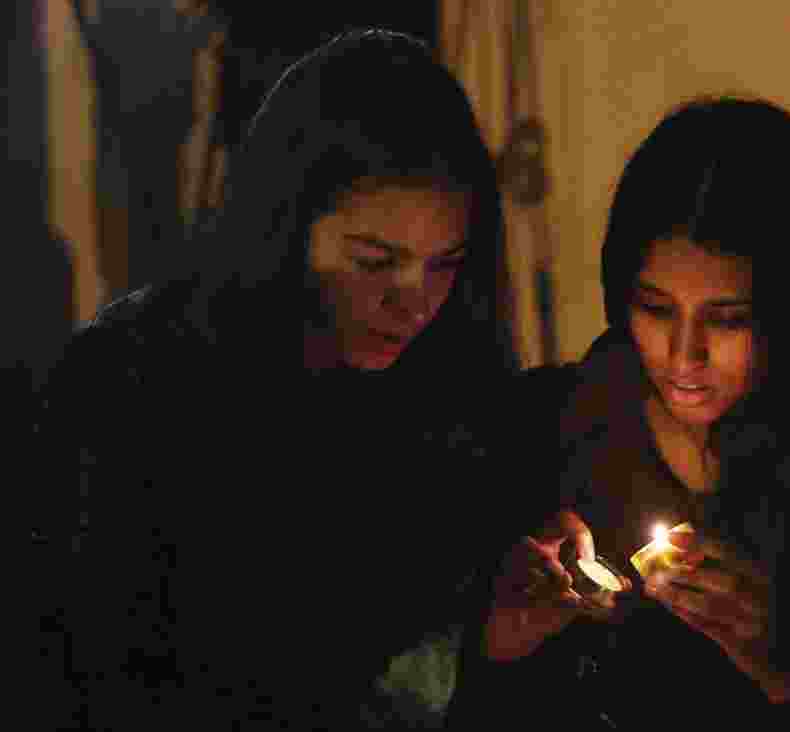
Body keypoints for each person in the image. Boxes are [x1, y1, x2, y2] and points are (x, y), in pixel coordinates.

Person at [33, 28, 534, 729]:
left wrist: (494, 614)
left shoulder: (448, 397)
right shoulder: (135, 386)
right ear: (289, 227)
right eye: (374, 261)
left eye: (445, 264)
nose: (413, 301)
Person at [448, 97, 790, 728]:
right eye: (654, 308)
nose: (683, 356)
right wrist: (500, 645)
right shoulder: (548, 425)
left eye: (728, 320)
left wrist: (786, 669)